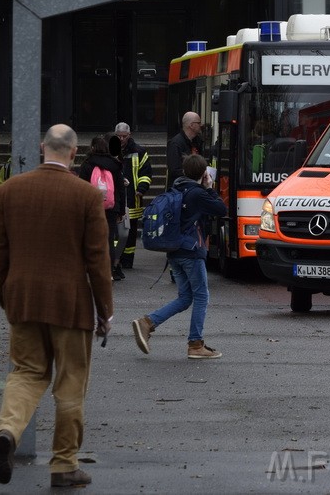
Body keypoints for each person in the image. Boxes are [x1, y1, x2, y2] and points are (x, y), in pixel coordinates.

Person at [0, 124, 113, 489]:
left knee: (26, 374)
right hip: (71, 306)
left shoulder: (9, 191)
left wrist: (6, 296)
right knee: (70, 385)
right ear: (74, 153)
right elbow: (98, 261)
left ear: (43, 147)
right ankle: (63, 465)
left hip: (23, 302)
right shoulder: (87, 196)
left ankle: (8, 431)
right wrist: (104, 311)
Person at [131, 154, 226, 360]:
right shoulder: (198, 193)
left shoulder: (177, 187)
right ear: (203, 174)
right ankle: (195, 344)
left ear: (184, 171)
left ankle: (147, 323)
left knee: (185, 298)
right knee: (201, 295)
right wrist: (209, 187)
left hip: (174, 250)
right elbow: (221, 208)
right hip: (191, 251)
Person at [76, 135, 127, 281]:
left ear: (93, 147)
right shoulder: (115, 164)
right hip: (111, 207)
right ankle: (108, 271)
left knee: (90, 238)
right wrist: (121, 210)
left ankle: (91, 270)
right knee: (109, 239)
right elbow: (120, 189)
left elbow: (82, 187)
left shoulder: (87, 164)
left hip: (91, 207)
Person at [113, 122, 152, 271]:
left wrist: (141, 189)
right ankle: (116, 258)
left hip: (132, 198)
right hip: (115, 197)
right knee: (117, 231)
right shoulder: (111, 150)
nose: (122, 139)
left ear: (129, 135)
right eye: (119, 136)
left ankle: (127, 260)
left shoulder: (139, 151)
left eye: (124, 136)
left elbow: (146, 173)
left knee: (130, 231)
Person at [165, 111, 204, 187]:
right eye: (198, 123)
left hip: (194, 186)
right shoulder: (175, 144)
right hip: (180, 188)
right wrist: (194, 173)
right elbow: (174, 170)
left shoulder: (198, 142)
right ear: (191, 125)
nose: (201, 125)